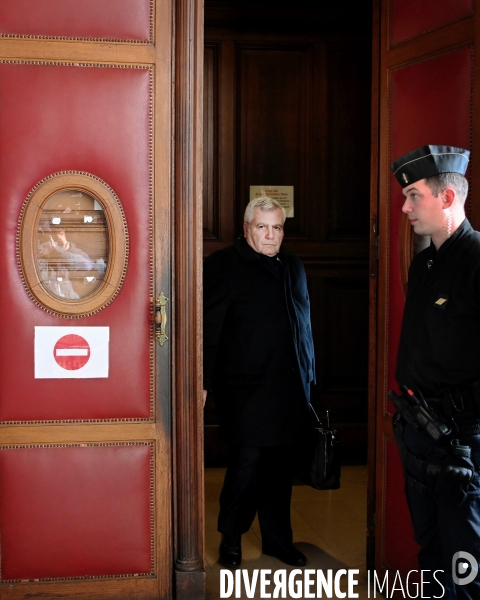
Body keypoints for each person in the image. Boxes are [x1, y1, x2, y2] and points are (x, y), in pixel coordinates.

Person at [203, 196, 315, 568]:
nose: (270, 235)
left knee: (281, 468)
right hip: (244, 387)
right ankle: (230, 539)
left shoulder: (293, 266)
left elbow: (304, 328)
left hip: (287, 385)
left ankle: (277, 540)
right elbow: (210, 331)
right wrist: (201, 382)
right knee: (246, 464)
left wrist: (310, 376)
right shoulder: (222, 265)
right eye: (262, 227)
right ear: (247, 228)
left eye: (277, 227)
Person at [391, 145, 480, 598]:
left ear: (447, 198)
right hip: (418, 431)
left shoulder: (477, 259)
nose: (404, 207)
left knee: (464, 560)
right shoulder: (424, 262)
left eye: (413, 195)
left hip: (461, 441)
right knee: (429, 548)